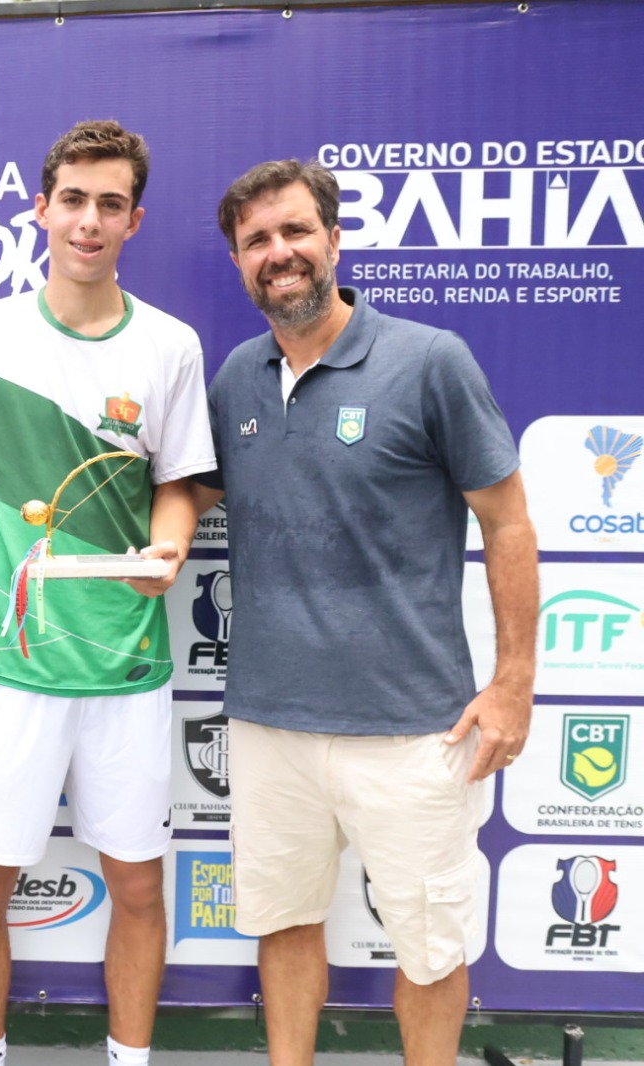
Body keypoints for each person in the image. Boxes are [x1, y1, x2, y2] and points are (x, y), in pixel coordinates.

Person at [0, 120, 216, 1066]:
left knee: (139, 890)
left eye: (110, 204)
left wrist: (171, 545)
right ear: (41, 208)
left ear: (134, 220)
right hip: (10, 663)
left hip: (126, 662)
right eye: (73, 200)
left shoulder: (172, 346)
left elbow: (181, 481)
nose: (89, 221)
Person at [195, 159, 537, 1066]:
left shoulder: (429, 360)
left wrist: (513, 685)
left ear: (335, 240)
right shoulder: (237, 378)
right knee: (284, 923)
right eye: (257, 240)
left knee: (428, 945)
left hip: (413, 728)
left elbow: (507, 523)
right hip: (271, 723)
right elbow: (189, 496)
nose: (280, 254)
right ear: (238, 262)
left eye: (296, 231)